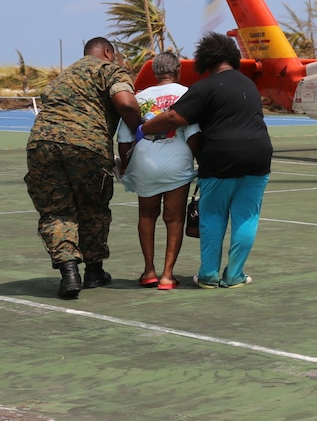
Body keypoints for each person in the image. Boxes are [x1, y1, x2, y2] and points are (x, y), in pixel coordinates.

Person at [137, 32, 272, 289]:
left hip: (220, 157)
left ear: (204, 60)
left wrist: (143, 129)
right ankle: (234, 275)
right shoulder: (249, 85)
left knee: (213, 216)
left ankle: (209, 275)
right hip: (259, 155)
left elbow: (174, 117)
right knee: (247, 217)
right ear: (233, 57)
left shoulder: (205, 87)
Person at [24, 37, 143, 299]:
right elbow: (126, 103)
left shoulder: (61, 78)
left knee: (56, 210)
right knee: (93, 207)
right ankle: (93, 271)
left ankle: (69, 272)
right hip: (85, 145)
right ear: (108, 52)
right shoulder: (108, 69)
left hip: (41, 145)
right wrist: (140, 131)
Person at [116, 52, 200, 291]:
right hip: (176, 161)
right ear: (178, 71)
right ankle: (167, 275)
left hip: (144, 162)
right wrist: (201, 161)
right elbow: (193, 134)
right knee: (174, 218)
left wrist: (126, 165)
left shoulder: (138, 97)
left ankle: (149, 271)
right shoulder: (187, 94)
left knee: (146, 216)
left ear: (154, 73)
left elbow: (124, 139)